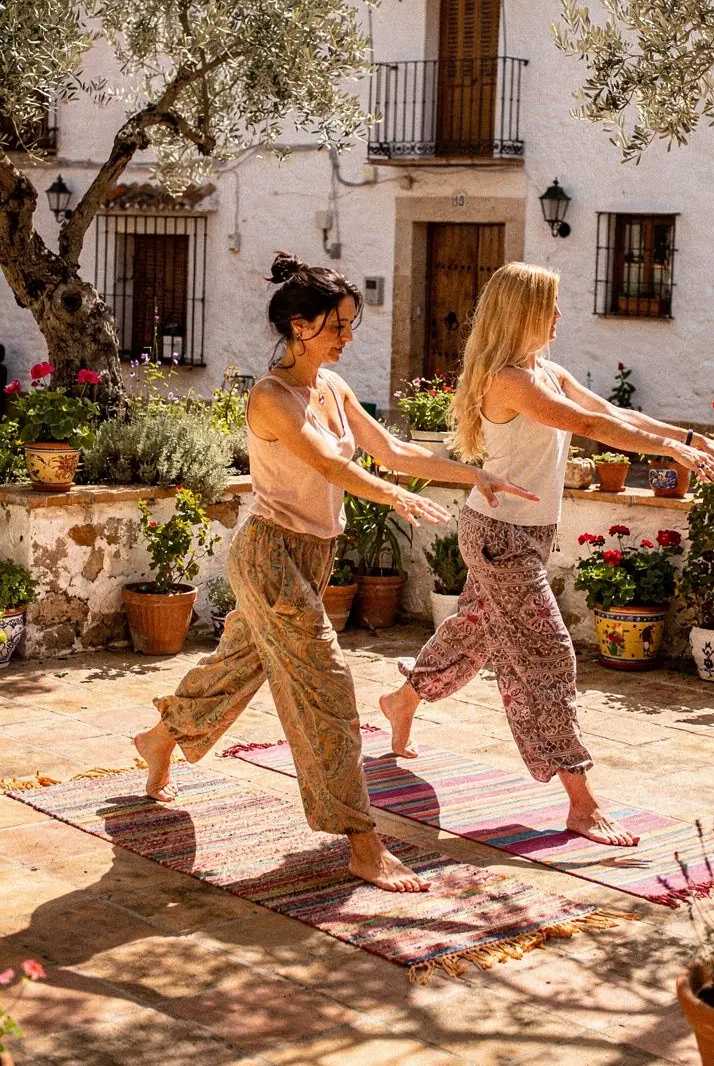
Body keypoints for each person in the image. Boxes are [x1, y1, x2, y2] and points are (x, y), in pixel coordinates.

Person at [134, 253, 535, 893]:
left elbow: (394, 450)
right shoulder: (271, 398)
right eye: (336, 326)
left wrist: (474, 473)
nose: (347, 338)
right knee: (327, 682)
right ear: (298, 326)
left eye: (350, 325)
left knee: (240, 663)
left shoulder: (332, 389)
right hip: (269, 558)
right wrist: (394, 497)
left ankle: (161, 735)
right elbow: (331, 466)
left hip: (311, 557)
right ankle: (361, 840)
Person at [379, 262, 714, 848]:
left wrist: (690, 438)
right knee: (547, 653)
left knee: (474, 633)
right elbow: (586, 425)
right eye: (550, 305)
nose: (559, 315)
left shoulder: (544, 371)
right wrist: (672, 450)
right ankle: (581, 799)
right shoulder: (509, 381)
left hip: (527, 532)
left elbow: (613, 414)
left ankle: (401, 699)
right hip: (501, 536)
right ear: (523, 312)